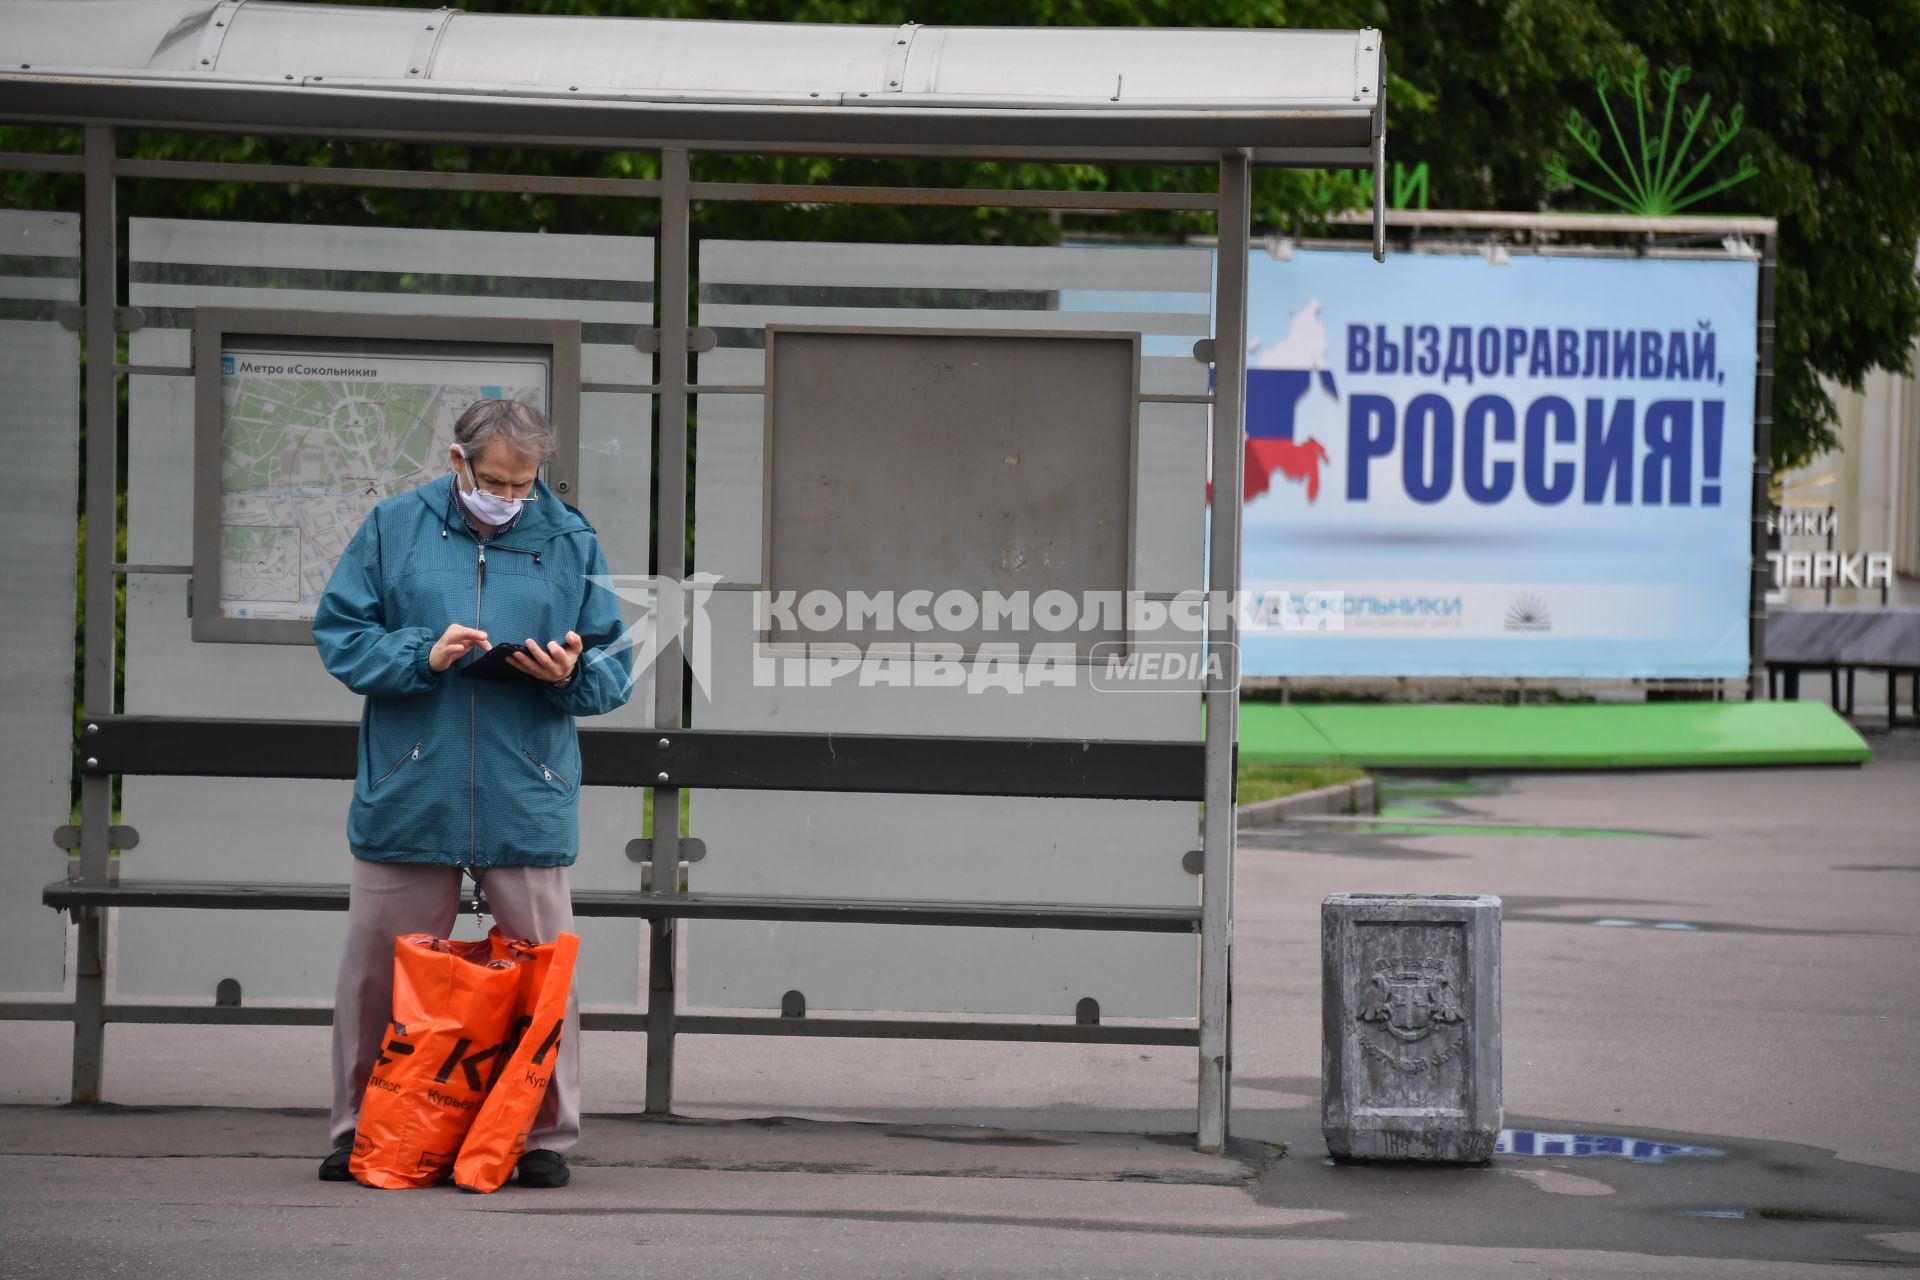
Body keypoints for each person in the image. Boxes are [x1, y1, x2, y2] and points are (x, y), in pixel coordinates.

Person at [311, 399, 632, 1188]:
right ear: (457, 462)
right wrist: (425, 653)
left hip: (528, 788)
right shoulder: (392, 527)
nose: (511, 498)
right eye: (495, 481)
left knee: (547, 974)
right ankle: (358, 1130)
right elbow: (341, 637)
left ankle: (544, 1138)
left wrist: (572, 675)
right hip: (410, 786)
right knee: (375, 976)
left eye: (524, 486)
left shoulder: (569, 537)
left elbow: (615, 667)